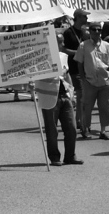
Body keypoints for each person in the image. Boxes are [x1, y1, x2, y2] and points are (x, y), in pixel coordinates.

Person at [39, 32, 82, 166]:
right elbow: (40, 76)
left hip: (64, 96)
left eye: (63, 41)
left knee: (71, 128)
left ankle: (70, 156)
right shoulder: (42, 58)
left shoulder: (63, 56)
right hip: (50, 96)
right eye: (60, 42)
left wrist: (71, 93)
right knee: (52, 131)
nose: (63, 45)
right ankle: (54, 157)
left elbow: (67, 75)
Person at [75, 21, 109, 140]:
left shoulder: (106, 45)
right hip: (89, 82)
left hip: (104, 81)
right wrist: (83, 79)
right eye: (94, 30)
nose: (97, 32)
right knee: (87, 107)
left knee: (105, 106)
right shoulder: (83, 45)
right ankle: (86, 129)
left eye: (99, 30)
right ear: (90, 31)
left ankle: (103, 131)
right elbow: (79, 64)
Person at [62, 9, 90, 130]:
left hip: (86, 68)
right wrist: (78, 53)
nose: (87, 19)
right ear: (78, 17)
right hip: (74, 68)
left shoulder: (85, 33)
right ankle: (78, 121)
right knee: (81, 95)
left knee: (83, 96)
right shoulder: (68, 33)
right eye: (85, 16)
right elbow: (64, 50)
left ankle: (79, 119)